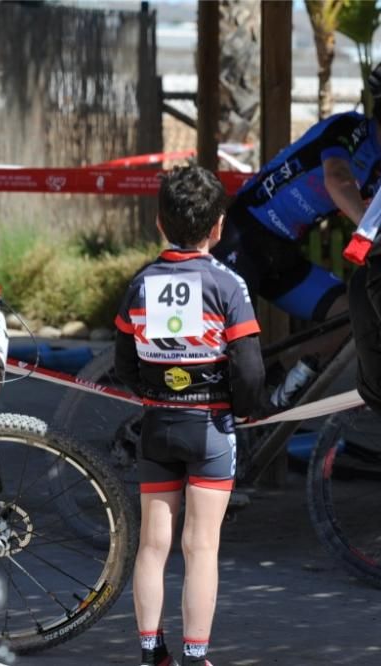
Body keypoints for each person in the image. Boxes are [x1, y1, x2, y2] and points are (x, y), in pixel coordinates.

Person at [114, 165, 267, 666]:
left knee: (153, 546)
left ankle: (149, 651)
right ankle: (196, 654)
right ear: (218, 226)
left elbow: (123, 361)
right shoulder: (229, 284)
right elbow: (249, 368)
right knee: (201, 548)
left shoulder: (140, 283)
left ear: (159, 222)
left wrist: (152, 392)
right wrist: (244, 411)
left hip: (157, 425)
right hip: (212, 428)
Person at [211, 57, 381, 323]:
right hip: (242, 236)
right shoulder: (349, 128)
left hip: (283, 252)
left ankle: (299, 367)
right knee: (236, 337)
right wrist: (371, 230)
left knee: (349, 317)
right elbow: (338, 179)